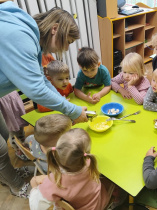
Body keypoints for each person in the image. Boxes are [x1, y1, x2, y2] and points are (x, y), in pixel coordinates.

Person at [0, 2, 87, 199]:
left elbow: (41, 81)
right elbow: (37, 89)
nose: (65, 48)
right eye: (68, 42)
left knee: (5, 133)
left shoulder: (31, 38)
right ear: (55, 29)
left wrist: (70, 106)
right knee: (1, 149)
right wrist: (73, 111)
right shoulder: (19, 37)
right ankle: (14, 183)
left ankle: (9, 173)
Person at [29, 128, 113, 210]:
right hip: (100, 200)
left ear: (56, 151)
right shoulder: (91, 162)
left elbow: (35, 207)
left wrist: (34, 187)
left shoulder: (53, 182)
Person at [0, 91, 29, 160]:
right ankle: (19, 150)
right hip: (4, 103)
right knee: (12, 131)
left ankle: (24, 146)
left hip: (12, 98)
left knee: (20, 127)